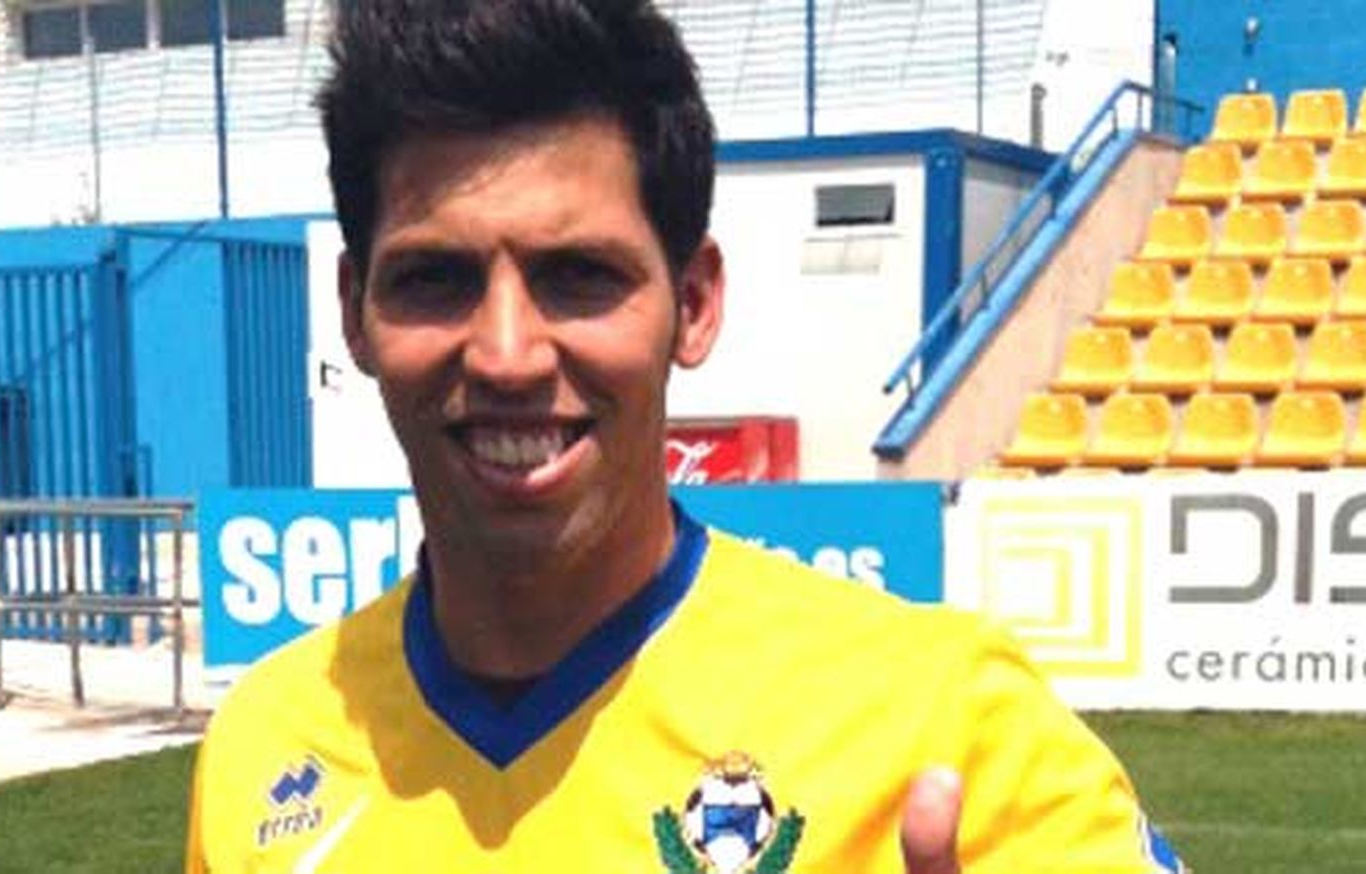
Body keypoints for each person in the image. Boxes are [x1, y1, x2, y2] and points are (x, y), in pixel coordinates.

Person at [186, 2, 1186, 871]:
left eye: (579, 276)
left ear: (695, 303)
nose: (506, 355)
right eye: (435, 279)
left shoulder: (947, 724)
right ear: (355, 313)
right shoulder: (264, 749)